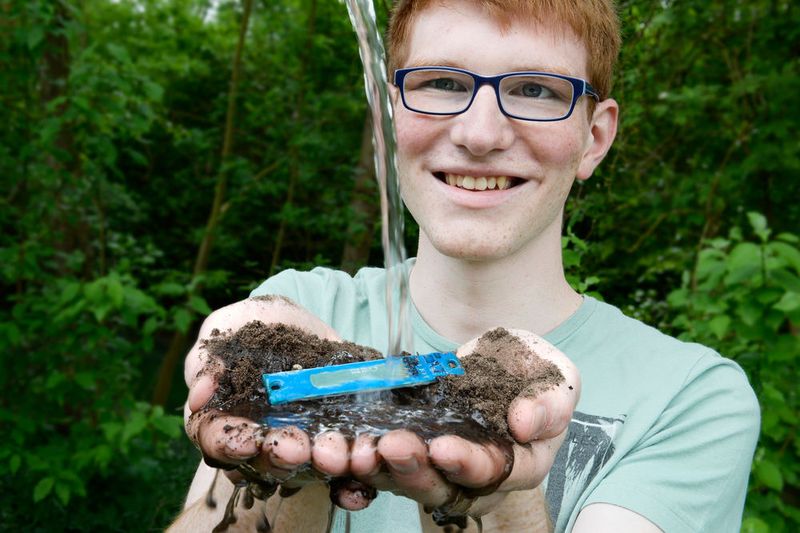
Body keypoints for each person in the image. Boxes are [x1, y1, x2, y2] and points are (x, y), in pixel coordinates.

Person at [170, 1, 760, 531]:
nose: (480, 134)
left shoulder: (688, 399)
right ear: (389, 113)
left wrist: (497, 495)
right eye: (443, 83)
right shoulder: (298, 313)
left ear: (595, 138)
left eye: (536, 90)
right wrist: (272, 473)